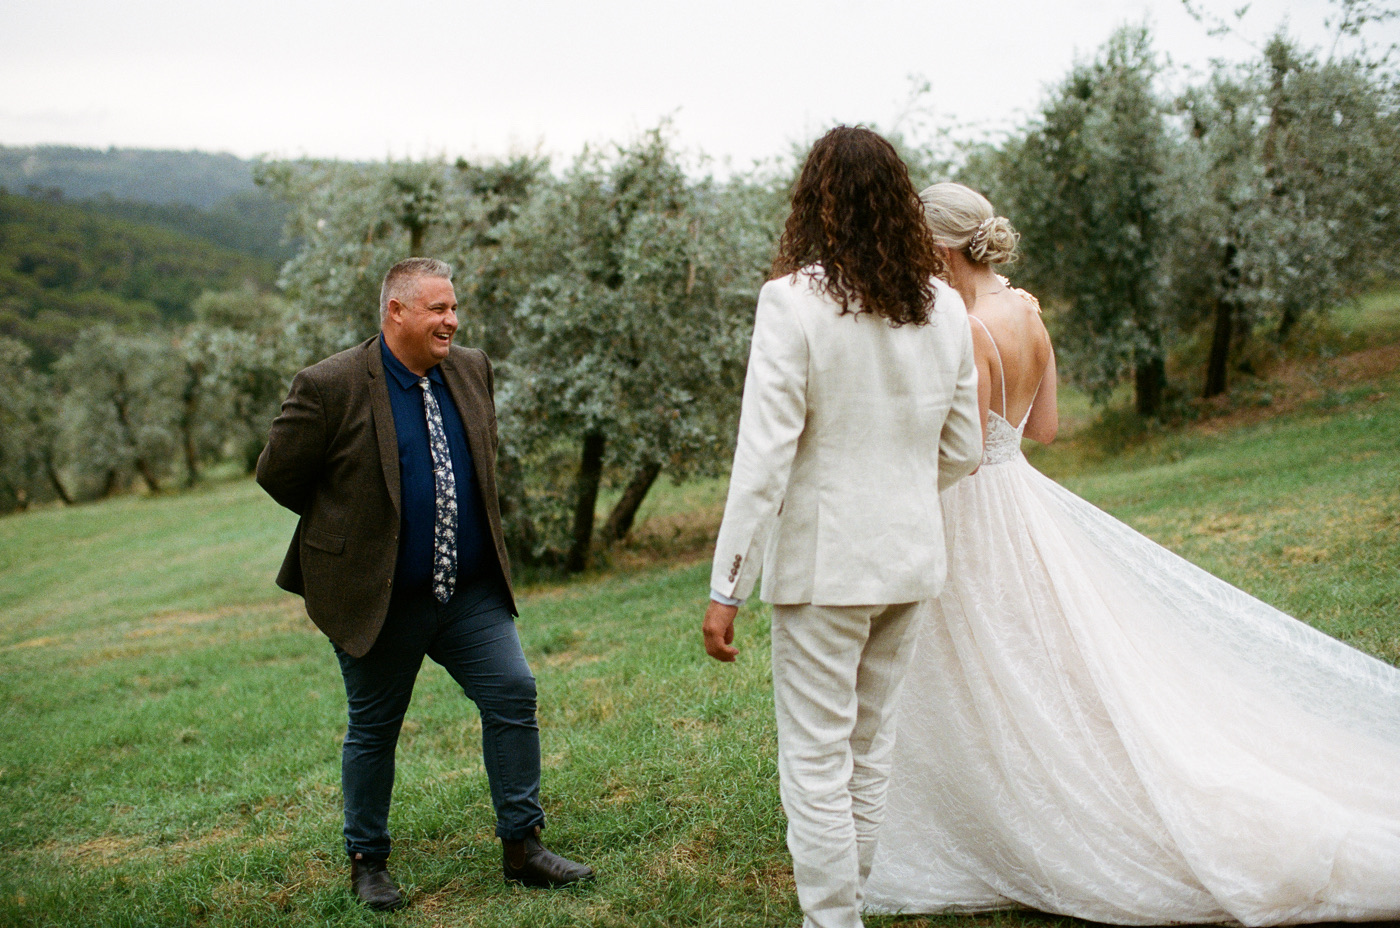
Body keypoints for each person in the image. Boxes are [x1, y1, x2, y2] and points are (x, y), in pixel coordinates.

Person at [862, 182, 1400, 925]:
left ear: (941, 247)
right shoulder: (1027, 312)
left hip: (971, 507)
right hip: (1021, 495)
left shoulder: (967, 326)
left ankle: (1006, 811)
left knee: (982, 660)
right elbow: (1042, 427)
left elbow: (959, 448)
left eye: (920, 244)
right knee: (1027, 657)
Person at [702, 128, 983, 928]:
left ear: (815, 203)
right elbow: (962, 447)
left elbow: (763, 458)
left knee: (817, 759)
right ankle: (845, 911)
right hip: (912, 559)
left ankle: (834, 921)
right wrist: (895, 491)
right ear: (900, 202)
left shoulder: (791, 302)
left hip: (827, 569)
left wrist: (727, 587)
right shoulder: (945, 307)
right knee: (869, 751)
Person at [257, 258, 594, 911]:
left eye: (454, 308)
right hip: (379, 597)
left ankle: (523, 848)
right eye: (438, 309)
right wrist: (350, 526)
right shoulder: (330, 386)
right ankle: (368, 863)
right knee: (375, 728)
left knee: (513, 693)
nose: (452, 321)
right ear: (397, 312)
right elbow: (279, 476)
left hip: (468, 592)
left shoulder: (471, 369)